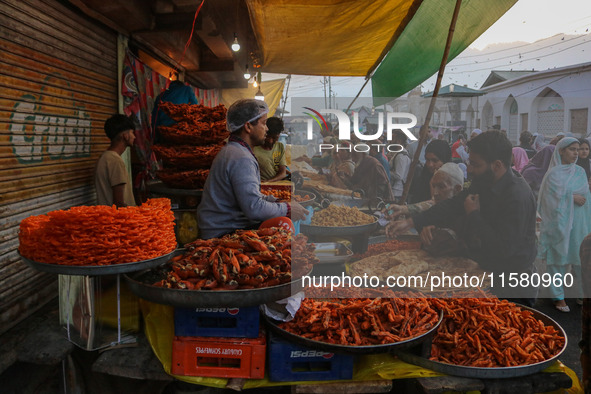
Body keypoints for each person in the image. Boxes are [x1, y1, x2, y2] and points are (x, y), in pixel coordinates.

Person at [387, 130, 538, 306]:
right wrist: (412, 221)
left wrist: (473, 214)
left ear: (497, 165)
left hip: (513, 283)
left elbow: (502, 249)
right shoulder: (485, 181)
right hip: (486, 273)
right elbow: (454, 204)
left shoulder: (517, 196)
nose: (470, 169)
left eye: (475, 164)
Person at [198, 99, 308, 239]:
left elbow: (250, 196)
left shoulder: (235, 151)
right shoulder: (240, 157)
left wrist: (276, 201)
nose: (267, 129)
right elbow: (254, 208)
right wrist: (287, 209)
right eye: (263, 123)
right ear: (248, 127)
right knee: (284, 224)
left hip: (223, 227)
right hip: (223, 233)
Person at [537, 137, 591, 312]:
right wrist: (571, 197)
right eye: (572, 149)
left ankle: (583, 295)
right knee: (558, 259)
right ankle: (557, 297)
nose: (576, 153)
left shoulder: (580, 172)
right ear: (561, 151)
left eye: (578, 149)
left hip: (579, 222)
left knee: (581, 258)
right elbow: (549, 200)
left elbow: (585, 197)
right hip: (558, 223)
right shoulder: (553, 174)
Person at [387, 162, 464, 218]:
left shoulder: (466, 210)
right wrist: (401, 209)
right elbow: (430, 204)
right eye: (433, 186)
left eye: (441, 187)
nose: (435, 193)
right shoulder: (440, 204)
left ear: (457, 189)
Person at [94, 114, 137, 207]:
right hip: (119, 220)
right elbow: (119, 203)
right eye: (132, 133)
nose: (134, 137)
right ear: (125, 136)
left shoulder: (106, 157)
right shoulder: (115, 161)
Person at [253, 117, 287, 182]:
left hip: (275, 187)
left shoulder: (280, 147)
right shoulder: (254, 147)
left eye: (274, 138)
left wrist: (269, 181)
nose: (270, 141)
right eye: (268, 137)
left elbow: (283, 173)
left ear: (279, 135)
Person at [388, 130, 411, 202]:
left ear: (399, 141)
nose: (390, 141)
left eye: (392, 138)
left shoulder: (401, 156)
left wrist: (385, 170)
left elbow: (399, 175)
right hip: (394, 191)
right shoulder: (397, 154)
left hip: (397, 192)